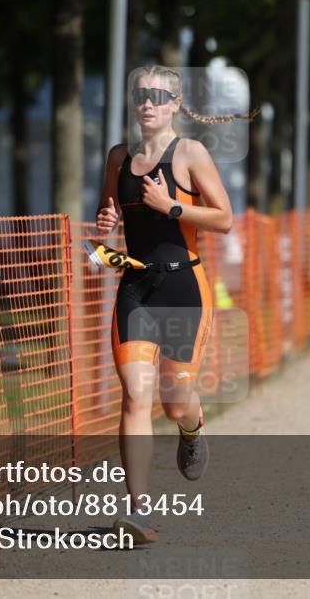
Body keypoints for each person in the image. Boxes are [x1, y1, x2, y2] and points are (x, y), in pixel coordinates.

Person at [94, 65, 256, 544]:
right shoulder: (118, 157)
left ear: (175, 104)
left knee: (174, 400)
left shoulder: (189, 153)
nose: (148, 102)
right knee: (135, 396)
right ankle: (138, 513)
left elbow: (225, 218)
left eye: (158, 95)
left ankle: (192, 426)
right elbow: (108, 214)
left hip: (184, 289)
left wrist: (173, 208)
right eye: (141, 93)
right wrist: (104, 221)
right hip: (135, 288)